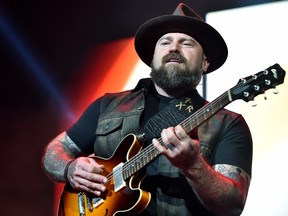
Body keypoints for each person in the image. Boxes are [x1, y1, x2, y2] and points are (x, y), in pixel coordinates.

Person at [42, 3, 253, 216]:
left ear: (205, 63)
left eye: (186, 43)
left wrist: (194, 165)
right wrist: (70, 170)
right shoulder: (107, 105)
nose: (174, 48)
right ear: (152, 58)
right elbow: (55, 151)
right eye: (165, 42)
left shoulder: (228, 123)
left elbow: (232, 206)